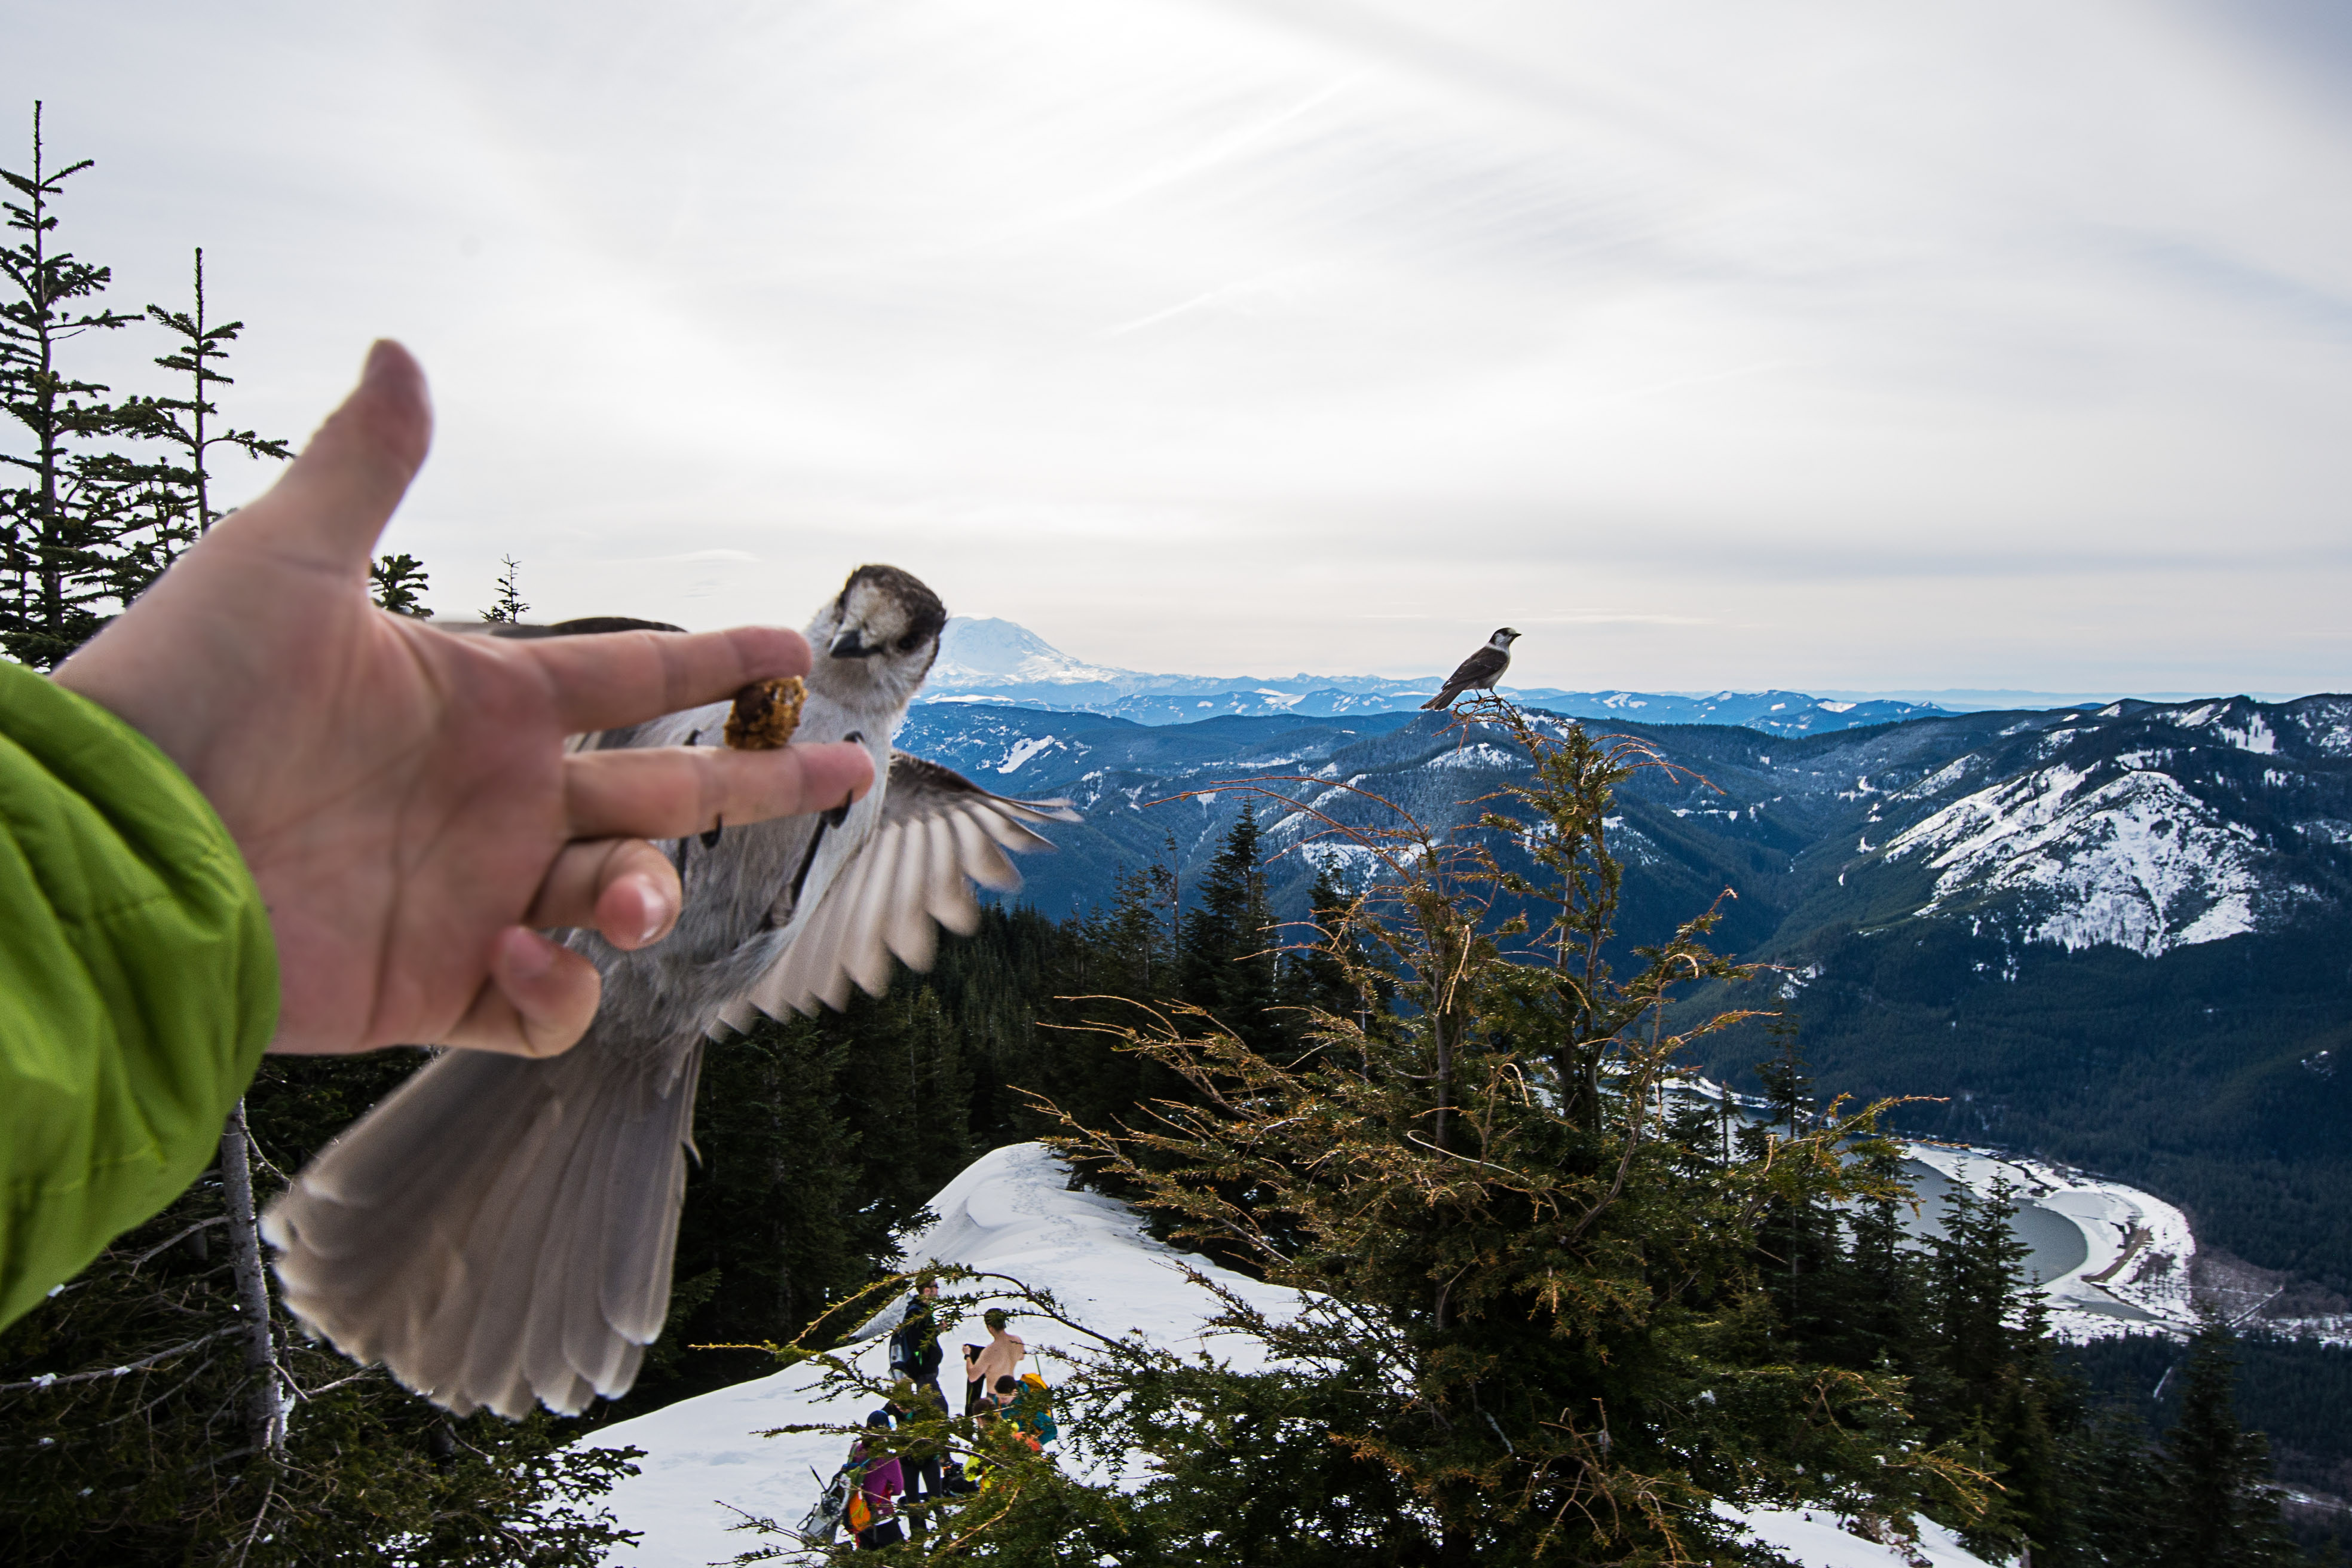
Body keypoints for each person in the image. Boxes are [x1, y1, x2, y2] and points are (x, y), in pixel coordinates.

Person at [0, 341, 875, 1328]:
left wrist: (120, 873)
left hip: (662, 999)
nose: (849, 644)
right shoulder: (739, 693)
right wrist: (130, 853)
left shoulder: (885, 782)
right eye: (846, 616)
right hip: (608, 959)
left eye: (884, 642)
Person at [847, 1410, 904, 1548]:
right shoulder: (888, 1459)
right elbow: (898, 1489)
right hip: (882, 1518)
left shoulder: (855, 1449)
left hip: (860, 1516)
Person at [964, 1307, 1025, 1417]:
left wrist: (968, 1355)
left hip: (997, 1397)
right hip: (1013, 1392)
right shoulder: (1017, 1341)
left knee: (996, 1430)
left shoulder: (990, 1351)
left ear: (990, 1328)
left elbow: (973, 1377)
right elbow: (1022, 1357)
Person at [889, 1277, 944, 1397]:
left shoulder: (924, 1310)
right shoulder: (915, 1312)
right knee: (937, 1407)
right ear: (927, 1291)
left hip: (928, 1370)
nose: (937, 1289)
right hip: (923, 1371)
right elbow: (917, 1343)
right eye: (935, 1286)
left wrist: (938, 1330)